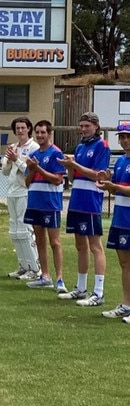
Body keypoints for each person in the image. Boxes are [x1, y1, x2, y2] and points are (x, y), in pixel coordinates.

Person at [57, 112, 110, 304]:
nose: (83, 129)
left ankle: (98, 292)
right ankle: (80, 288)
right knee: (80, 246)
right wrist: (70, 167)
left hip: (90, 202)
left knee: (95, 246)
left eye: (87, 125)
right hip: (76, 200)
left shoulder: (101, 146)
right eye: (81, 126)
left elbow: (98, 175)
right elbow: (73, 179)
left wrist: (75, 164)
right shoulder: (80, 147)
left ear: (96, 126)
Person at [24, 120, 65, 289]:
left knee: (55, 242)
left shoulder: (56, 153)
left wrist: (38, 169)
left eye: (43, 132)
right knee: (39, 240)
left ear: (49, 133)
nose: (40, 135)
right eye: (38, 132)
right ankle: (45, 276)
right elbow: (27, 183)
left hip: (50, 204)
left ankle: (60, 279)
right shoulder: (34, 155)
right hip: (35, 202)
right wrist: (33, 169)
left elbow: (57, 179)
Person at [97, 125, 130, 321]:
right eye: (122, 137)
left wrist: (114, 186)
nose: (125, 140)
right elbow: (114, 191)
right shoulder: (119, 162)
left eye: (128, 136)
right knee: (125, 263)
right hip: (120, 218)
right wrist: (106, 183)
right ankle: (126, 304)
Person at [2, 117, 41, 280]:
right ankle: (23, 266)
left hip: (24, 191)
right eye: (17, 128)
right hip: (11, 192)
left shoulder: (34, 147)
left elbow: (30, 170)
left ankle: (35, 268)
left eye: (23, 128)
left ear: (28, 129)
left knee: (25, 230)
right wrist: (11, 161)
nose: (20, 131)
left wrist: (16, 159)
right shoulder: (13, 147)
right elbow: (5, 171)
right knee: (15, 231)